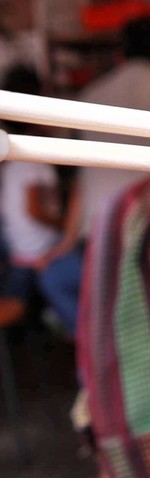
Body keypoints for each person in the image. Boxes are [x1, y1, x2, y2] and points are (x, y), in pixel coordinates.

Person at [39, 15, 150, 337]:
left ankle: (95, 346)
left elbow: (82, 181)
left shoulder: (90, 96)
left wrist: (65, 243)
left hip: (102, 239)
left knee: (57, 279)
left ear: (121, 54)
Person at [0, 65, 62, 307]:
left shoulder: (11, 150)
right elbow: (34, 210)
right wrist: (64, 226)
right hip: (35, 249)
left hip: (16, 244)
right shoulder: (31, 155)